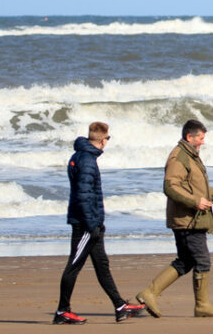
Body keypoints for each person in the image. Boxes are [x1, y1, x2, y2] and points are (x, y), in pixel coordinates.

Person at [136, 119, 213, 318]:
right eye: (200, 138)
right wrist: (194, 202)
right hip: (188, 220)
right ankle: (202, 305)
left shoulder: (191, 156)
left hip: (192, 218)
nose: (203, 142)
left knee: (186, 261)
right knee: (202, 260)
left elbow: (198, 188)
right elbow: (170, 187)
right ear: (189, 137)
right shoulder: (179, 157)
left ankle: (150, 293)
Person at [53, 122, 146, 325]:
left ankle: (120, 306)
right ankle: (62, 311)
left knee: (102, 266)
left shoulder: (83, 156)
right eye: (108, 139)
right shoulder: (86, 160)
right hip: (85, 225)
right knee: (74, 266)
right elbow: (83, 196)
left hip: (92, 222)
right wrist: (91, 226)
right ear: (103, 140)